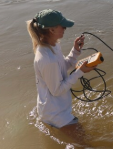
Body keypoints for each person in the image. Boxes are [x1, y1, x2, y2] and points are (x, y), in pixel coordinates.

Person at [27, 9, 94, 140]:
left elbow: (63, 66)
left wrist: (75, 51)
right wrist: (80, 72)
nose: (65, 28)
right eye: (62, 26)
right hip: (55, 113)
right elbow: (57, 90)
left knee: (83, 144)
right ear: (51, 30)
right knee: (85, 147)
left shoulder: (53, 46)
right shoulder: (47, 59)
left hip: (55, 107)